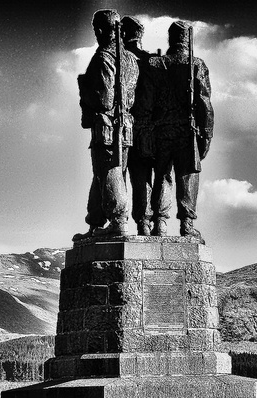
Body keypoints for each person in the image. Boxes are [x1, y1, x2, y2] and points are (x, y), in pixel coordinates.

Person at [75, 10, 138, 239]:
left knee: (109, 171)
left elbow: (104, 99)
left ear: (100, 29)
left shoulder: (104, 57)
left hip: (106, 126)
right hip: (125, 126)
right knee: (105, 173)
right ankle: (96, 222)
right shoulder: (130, 58)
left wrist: (84, 91)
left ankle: (119, 220)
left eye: (96, 29)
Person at [148, 20, 213, 240]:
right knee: (187, 176)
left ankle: (160, 224)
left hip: (161, 130)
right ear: (188, 39)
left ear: (170, 39)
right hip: (187, 130)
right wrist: (207, 133)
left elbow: (146, 101)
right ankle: (187, 225)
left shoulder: (155, 64)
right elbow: (204, 102)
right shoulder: (196, 64)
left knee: (162, 176)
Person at [121, 16, 166, 235]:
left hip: (130, 127)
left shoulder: (121, 59)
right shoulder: (154, 62)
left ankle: (143, 223)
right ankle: (158, 222)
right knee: (157, 177)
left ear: (123, 33)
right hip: (153, 130)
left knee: (137, 178)